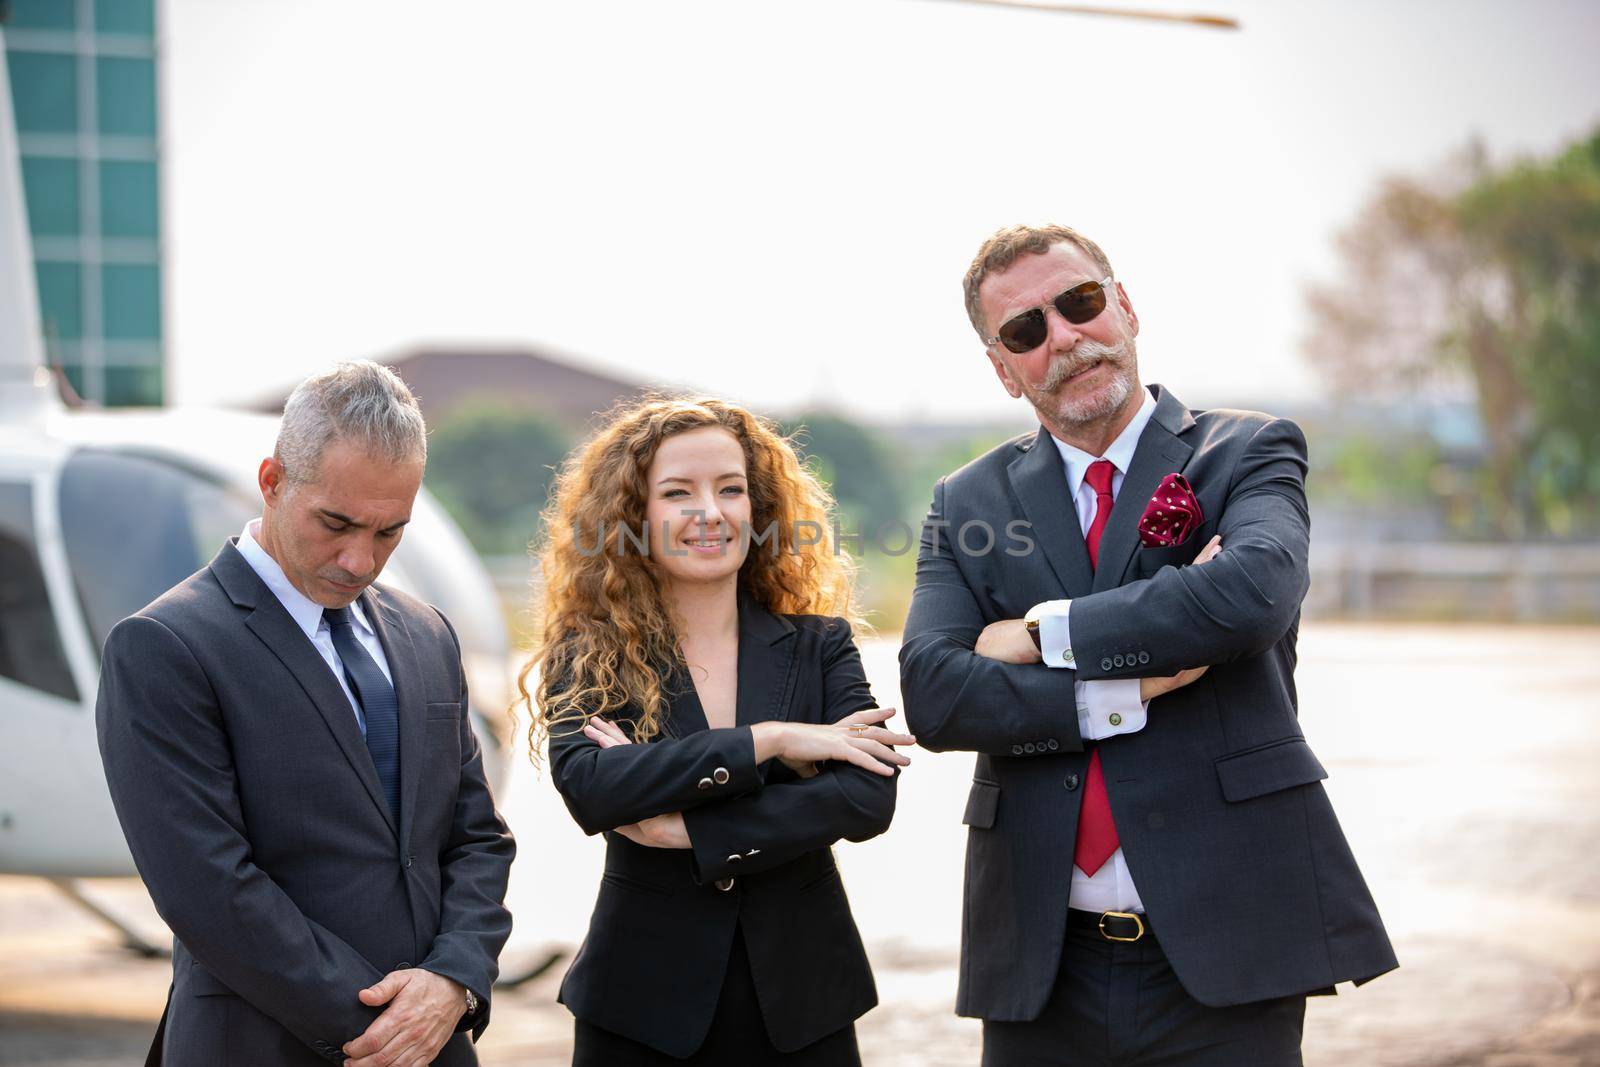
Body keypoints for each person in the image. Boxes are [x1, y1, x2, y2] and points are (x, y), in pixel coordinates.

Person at [899, 225, 1398, 1066]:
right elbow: (936, 693)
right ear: (1002, 366)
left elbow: (1249, 597)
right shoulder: (966, 501)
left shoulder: (1247, 450)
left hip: (1230, 941)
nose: (1064, 337)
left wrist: (1036, 631)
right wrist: (1115, 692)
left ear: (1124, 306)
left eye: (1081, 303)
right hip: (1040, 960)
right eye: (1026, 330)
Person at [96, 361, 515, 1066]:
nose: (359, 559)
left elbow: (476, 839)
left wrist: (453, 981)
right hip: (261, 1044)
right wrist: (387, 1024)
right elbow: (208, 888)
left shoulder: (426, 634)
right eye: (337, 523)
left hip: (432, 1041)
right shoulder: (165, 645)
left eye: (390, 532)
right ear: (271, 480)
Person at [520, 396, 913, 1065]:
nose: (710, 511)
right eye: (678, 492)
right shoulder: (588, 653)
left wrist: (691, 830)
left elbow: (867, 797)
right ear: (635, 515)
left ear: (757, 509)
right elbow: (595, 787)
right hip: (641, 1009)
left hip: (804, 1005)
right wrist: (774, 740)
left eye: (730, 489)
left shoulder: (821, 645)